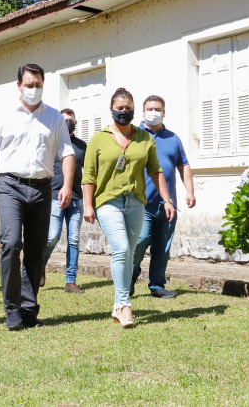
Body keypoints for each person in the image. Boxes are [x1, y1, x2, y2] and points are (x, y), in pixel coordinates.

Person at [0, 63, 75, 331]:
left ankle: (29, 308)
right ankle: (12, 309)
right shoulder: (3, 115)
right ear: (19, 86)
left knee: (35, 250)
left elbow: (67, 153)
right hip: (10, 185)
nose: (34, 89)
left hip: (43, 188)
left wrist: (66, 185)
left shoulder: (54, 117)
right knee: (11, 244)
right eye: (29, 85)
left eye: (38, 84)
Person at [82, 88, 175, 328]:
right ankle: (125, 305)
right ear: (111, 109)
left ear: (134, 109)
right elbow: (89, 175)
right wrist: (88, 205)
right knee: (122, 249)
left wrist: (167, 199)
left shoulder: (144, 138)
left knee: (131, 253)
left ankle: (117, 307)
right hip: (107, 201)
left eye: (128, 108)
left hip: (135, 202)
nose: (124, 112)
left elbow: (155, 170)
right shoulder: (98, 138)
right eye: (120, 108)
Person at [130, 95, 196, 299]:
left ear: (164, 112)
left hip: (168, 205)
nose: (153, 112)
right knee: (140, 241)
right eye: (149, 108)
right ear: (143, 112)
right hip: (142, 203)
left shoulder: (173, 138)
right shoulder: (135, 135)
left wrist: (190, 191)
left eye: (157, 109)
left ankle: (157, 286)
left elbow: (183, 165)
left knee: (163, 246)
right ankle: (129, 279)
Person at [40, 107, 87, 293]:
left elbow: (90, 172)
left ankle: (70, 281)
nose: (68, 121)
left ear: (75, 122)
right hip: (53, 197)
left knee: (74, 240)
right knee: (52, 236)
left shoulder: (82, 146)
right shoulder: (51, 143)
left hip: (76, 199)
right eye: (64, 119)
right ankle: (40, 265)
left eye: (71, 119)